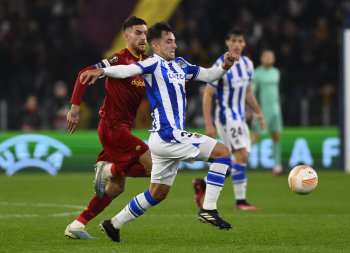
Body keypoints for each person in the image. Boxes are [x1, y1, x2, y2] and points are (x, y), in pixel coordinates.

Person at [80, 22, 238, 242]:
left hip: (161, 140)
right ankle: (208, 209)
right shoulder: (152, 64)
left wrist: (225, 67)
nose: (174, 45)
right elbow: (127, 70)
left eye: (174, 40)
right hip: (168, 134)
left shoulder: (181, 65)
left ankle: (113, 224)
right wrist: (103, 71)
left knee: (158, 193)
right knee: (223, 152)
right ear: (155, 45)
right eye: (169, 41)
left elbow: (209, 75)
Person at [64, 16, 152, 239]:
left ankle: (77, 225)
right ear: (126, 36)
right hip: (113, 127)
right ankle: (109, 170)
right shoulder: (117, 59)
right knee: (154, 167)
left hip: (122, 129)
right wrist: (74, 109)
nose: (143, 37)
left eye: (145, 33)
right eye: (138, 32)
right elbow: (83, 74)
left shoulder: (145, 62)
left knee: (115, 188)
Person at [193, 28, 266, 211]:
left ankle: (203, 183)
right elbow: (208, 95)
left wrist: (259, 113)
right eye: (233, 40)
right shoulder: (220, 64)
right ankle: (240, 202)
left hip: (240, 117)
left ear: (245, 44)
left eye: (240, 41)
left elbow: (248, 93)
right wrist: (209, 124)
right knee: (241, 155)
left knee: (233, 158)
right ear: (227, 42)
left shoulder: (248, 64)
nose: (237, 44)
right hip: (226, 117)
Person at [251, 49, 283, 175]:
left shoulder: (276, 72)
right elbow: (252, 92)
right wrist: (254, 110)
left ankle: (277, 166)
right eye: (267, 56)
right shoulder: (257, 73)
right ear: (262, 58)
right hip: (263, 110)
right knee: (256, 136)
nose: (269, 58)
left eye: (271, 56)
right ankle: (237, 161)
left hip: (276, 110)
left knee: (277, 136)